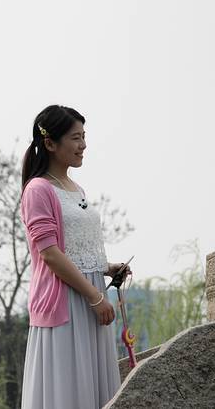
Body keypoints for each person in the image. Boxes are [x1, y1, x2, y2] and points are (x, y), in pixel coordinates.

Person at [20, 104, 132, 409]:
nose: (83, 145)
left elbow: (75, 249)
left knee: (93, 391)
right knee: (70, 391)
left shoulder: (76, 188)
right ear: (50, 143)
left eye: (84, 136)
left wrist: (106, 268)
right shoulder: (38, 190)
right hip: (66, 303)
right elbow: (50, 254)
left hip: (89, 299)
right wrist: (95, 297)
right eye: (75, 138)